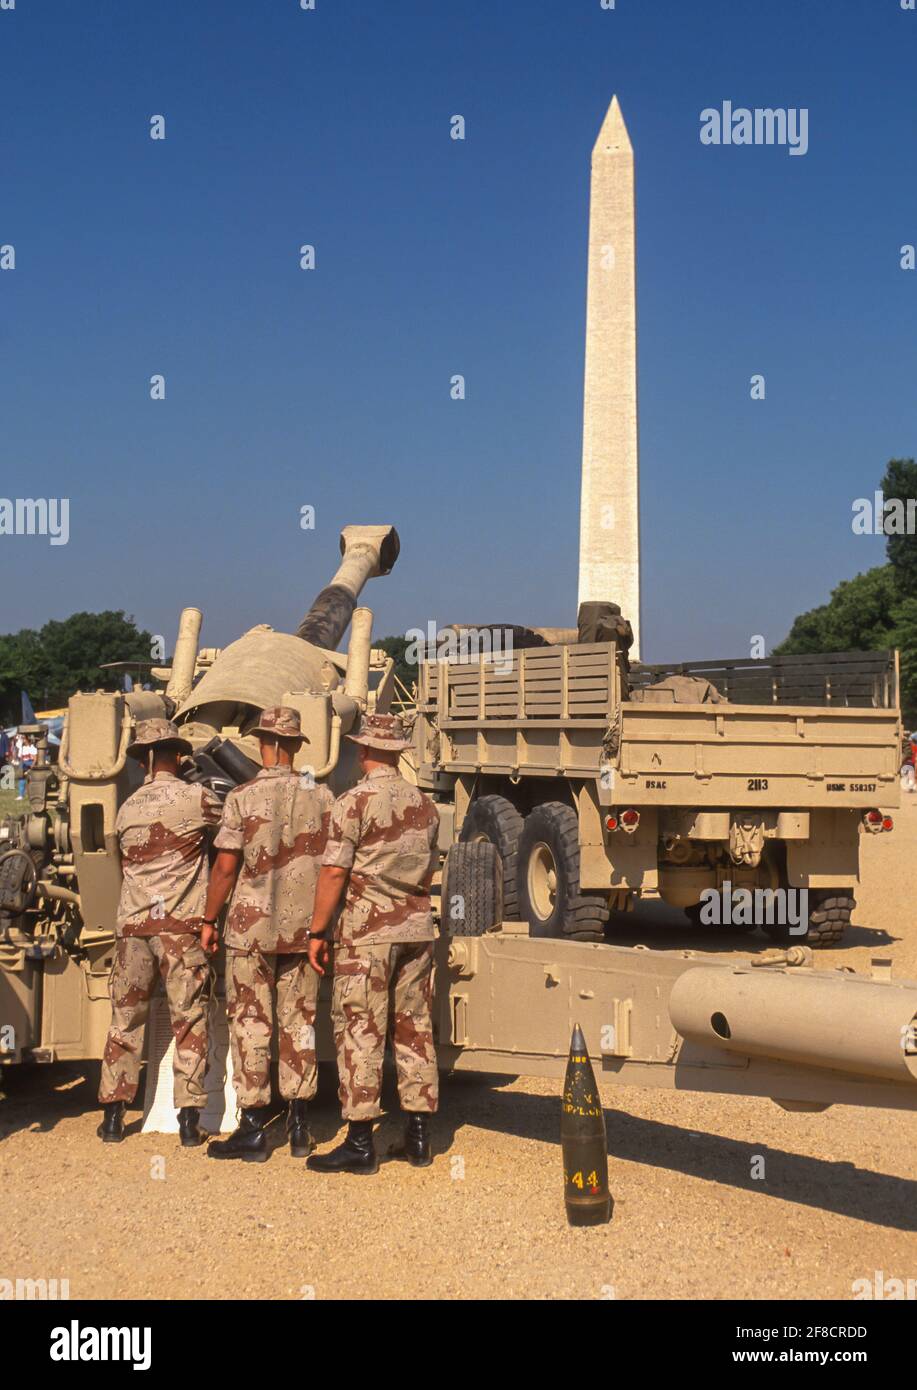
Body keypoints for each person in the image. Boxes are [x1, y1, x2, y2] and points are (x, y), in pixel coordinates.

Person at [306, 712, 440, 1176]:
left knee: (361, 1028)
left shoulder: (353, 803)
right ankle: (419, 1138)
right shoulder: (425, 805)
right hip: (416, 931)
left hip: (367, 935)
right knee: (414, 1028)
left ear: (363, 750)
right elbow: (428, 867)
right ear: (397, 752)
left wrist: (318, 931)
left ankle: (360, 1142)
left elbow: (333, 872)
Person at [203, 706, 334, 1162]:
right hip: (306, 928)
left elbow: (225, 867)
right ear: (295, 745)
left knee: (250, 1022)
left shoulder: (242, 797)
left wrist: (208, 920)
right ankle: (299, 1125)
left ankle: (254, 1128)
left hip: (250, 929)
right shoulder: (322, 795)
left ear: (262, 743)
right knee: (300, 1023)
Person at [97, 719, 221, 1146]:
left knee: (125, 1020)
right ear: (178, 756)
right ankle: (188, 1120)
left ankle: (113, 1117)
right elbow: (232, 829)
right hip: (179, 929)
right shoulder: (196, 799)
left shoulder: (127, 808)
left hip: (132, 928)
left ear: (143, 761)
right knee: (188, 1019)